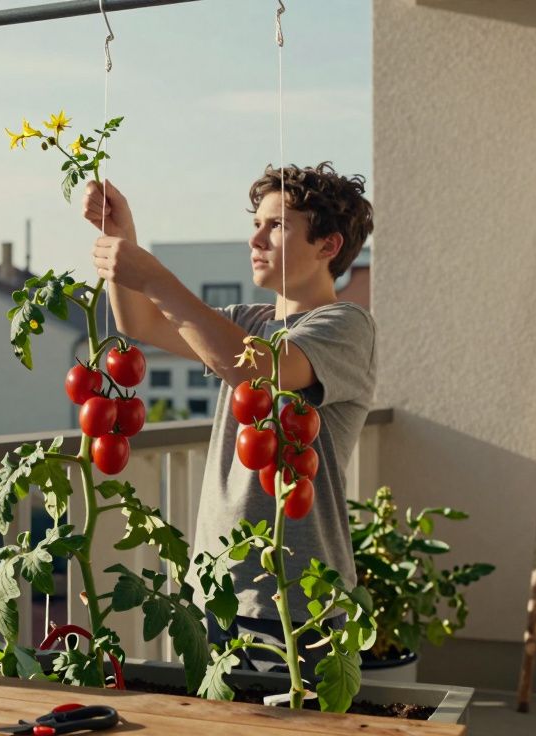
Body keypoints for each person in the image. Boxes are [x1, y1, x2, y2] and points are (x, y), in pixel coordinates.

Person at [81, 163, 376, 673]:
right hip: (217, 586)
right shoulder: (246, 321)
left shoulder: (346, 325)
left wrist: (156, 277)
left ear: (328, 246)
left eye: (277, 226)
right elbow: (140, 322)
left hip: (297, 597)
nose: (255, 239)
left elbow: (263, 369)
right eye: (256, 224)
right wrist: (122, 237)